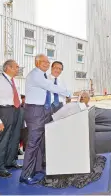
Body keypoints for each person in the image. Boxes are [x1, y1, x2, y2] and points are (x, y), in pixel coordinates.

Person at [20, 54, 71, 185]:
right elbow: (51, 87)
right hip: (36, 111)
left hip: (42, 110)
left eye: (48, 62)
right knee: (33, 143)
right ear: (37, 62)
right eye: (44, 62)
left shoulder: (41, 75)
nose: (47, 64)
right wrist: (70, 93)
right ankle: (25, 175)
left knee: (40, 142)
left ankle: (37, 169)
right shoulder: (36, 75)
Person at [0, 59, 23, 178]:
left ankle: (10, 162)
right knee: (3, 140)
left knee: (15, 138)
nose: (18, 69)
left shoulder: (13, 81)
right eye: (16, 67)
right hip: (5, 111)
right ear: (8, 68)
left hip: (17, 110)